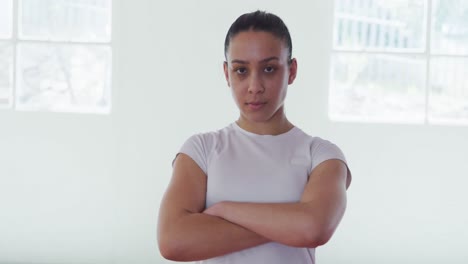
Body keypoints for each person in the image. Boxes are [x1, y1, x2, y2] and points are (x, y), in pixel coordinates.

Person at [157, 10, 352, 264]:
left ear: (291, 71)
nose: (254, 86)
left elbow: (314, 228)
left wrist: (224, 211)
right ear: (227, 73)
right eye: (241, 71)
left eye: (269, 69)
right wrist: (288, 225)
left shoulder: (323, 155)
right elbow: (172, 241)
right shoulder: (201, 150)